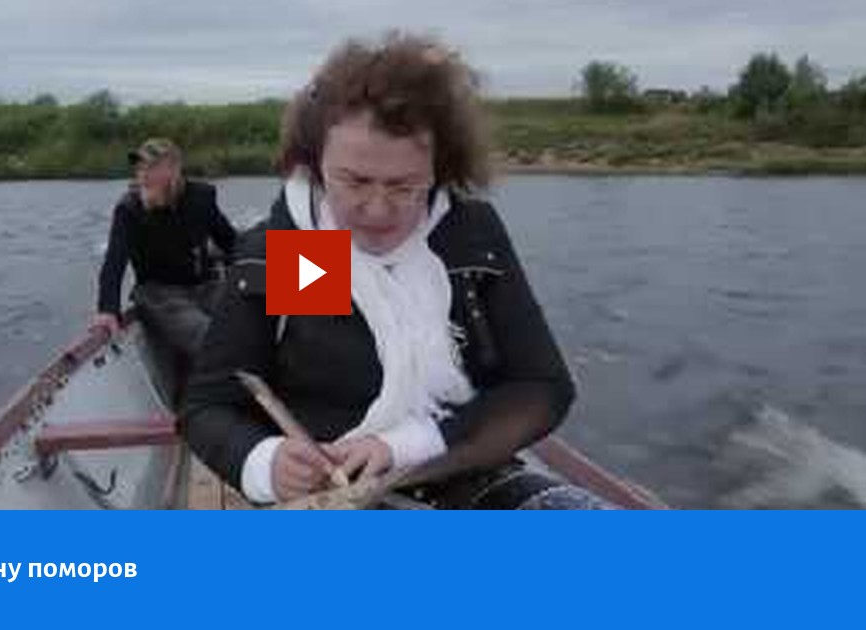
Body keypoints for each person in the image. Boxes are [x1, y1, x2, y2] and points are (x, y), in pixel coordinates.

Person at [180, 33, 610, 509]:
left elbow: (541, 385)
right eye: (354, 181)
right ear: (315, 164)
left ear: (440, 168)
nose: (378, 210)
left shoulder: (465, 232)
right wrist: (264, 462)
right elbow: (207, 406)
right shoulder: (304, 252)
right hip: (326, 499)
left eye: (405, 186)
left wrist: (403, 445)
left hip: (460, 465)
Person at [92, 138, 237, 359]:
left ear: (173, 170)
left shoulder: (201, 197)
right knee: (205, 333)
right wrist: (107, 309)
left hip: (206, 286)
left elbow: (230, 242)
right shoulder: (129, 210)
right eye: (140, 168)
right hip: (159, 294)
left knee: (249, 319)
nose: (143, 175)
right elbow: (114, 262)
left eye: (151, 167)